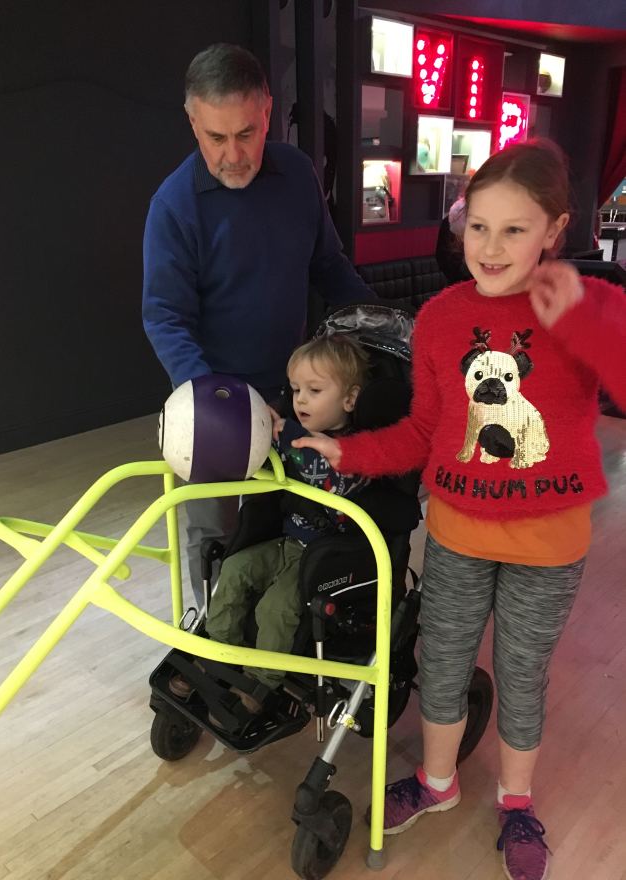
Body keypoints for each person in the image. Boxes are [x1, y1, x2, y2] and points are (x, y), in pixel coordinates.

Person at [290, 139, 626, 880]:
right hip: (456, 533)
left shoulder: (592, 302)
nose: (492, 246)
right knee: (439, 661)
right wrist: (352, 452)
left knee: (521, 671)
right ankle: (438, 784)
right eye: (478, 226)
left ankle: (515, 801)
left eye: (514, 228)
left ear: (555, 228)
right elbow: (423, 431)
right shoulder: (443, 317)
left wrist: (586, 318)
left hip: (549, 543)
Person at [142, 43, 375, 609]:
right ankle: (208, 636)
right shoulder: (174, 206)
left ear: (268, 111)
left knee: (293, 523)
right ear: (193, 121)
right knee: (214, 532)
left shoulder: (296, 173)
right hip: (214, 404)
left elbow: (330, 269)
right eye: (215, 137)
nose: (233, 155)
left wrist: (383, 331)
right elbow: (165, 317)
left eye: (246, 133)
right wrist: (217, 402)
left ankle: (273, 637)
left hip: (296, 394)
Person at [168, 334, 371, 712]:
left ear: (349, 399)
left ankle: (263, 682)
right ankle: (216, 651)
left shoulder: (358, 448)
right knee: (233, 571)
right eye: (295, 390)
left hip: (328, 557)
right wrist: (260, 431)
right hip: (289, 540)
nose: (301, 399)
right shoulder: (294, 432)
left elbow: (324, 467)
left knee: (275, 608)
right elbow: (268, 454)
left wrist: (289, 434)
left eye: (314, 390)